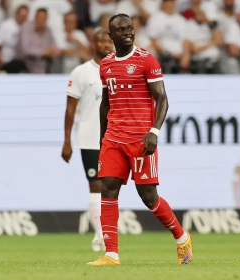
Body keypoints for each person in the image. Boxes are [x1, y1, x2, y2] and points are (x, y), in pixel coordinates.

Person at [87, 13, 193, 266]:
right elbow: (106, 103)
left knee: (148, 196)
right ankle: (111, 254)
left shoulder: (146, 60)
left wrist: (154, 132)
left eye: (129, 28)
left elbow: (163, 99)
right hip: (114, 137)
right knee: (108, 188)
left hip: (140, 139)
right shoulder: (106, 64)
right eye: (120, 30)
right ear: (111, 36)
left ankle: (181, 237)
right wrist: (103, 139)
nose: (127, 33)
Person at [61, 30, 114, 252]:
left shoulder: (119, 69)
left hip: (114, 137)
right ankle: (101, 235)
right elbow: (70, 110)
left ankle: (103, 231)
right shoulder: (81, 72)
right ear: (93, 44)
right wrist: (66, 141)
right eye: (101, 40)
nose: (105, 44)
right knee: (95, 184)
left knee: (111, 186)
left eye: (109, 40)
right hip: (90, 137)